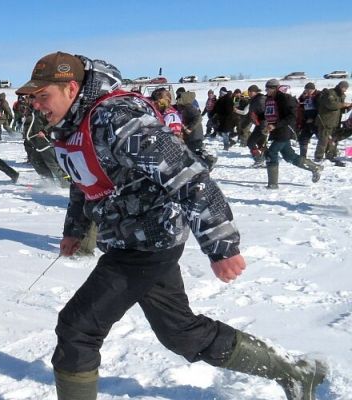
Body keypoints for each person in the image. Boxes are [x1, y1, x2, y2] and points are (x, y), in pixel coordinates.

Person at [16, 52, 326, 400]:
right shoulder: (75, 123)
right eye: (33, 97)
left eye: (43, 96)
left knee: (77, 329)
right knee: (181, 332)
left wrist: (221, 244)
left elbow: (189, 176)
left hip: (146, 244)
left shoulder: (118, 119)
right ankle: (297, 373)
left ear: (71, 88)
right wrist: (74, 229)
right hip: (131, 238)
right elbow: (83, 179)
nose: (37, 105)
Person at [261, 79, 323, 189]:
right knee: (289, 156)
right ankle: (314, 167)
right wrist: (268, 126)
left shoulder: (284, 98)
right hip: (276, 131)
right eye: (266, 88)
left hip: (284, 130)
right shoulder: (269, 99)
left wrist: (275, 125)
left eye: (268, 88)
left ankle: (273, 184)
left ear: (275, 88)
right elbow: (271, 115)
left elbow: (291, 117)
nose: (266, 90)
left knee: (271, 153)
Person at [316, 80, 351, 165]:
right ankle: (318, 157)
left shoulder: (341, 95)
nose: (345, 90)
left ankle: (330, 155)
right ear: (339, 86)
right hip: (326, 121)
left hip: (335, 121)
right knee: (323, 140)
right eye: (344, 88)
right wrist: (343, 104)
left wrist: (348, 107)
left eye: (346, 88)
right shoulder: (330, 93)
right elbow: (331, 105)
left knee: (333, 139)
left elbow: (340, 110)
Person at [297, 82, 320, 158]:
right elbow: (299, 105)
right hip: (306, 121)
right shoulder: (304, 96)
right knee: (303, 138)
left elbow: (321, 109)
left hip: (316, 122)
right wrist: (302, 98)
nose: (308, 91)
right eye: (306, 89)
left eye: (310, 89)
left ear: (314, 89)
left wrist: (313, 119)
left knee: (322, 139)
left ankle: (325, 155)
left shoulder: (318, 95)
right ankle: (303, 156)